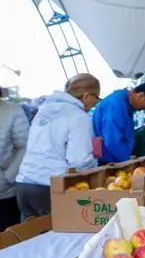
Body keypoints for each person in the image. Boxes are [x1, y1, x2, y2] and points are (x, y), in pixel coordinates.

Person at [16, 74, 101, 218]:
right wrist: (95, 162)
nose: (95, 104)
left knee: (30, 235)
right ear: (87, 95)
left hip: (24, 184)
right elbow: (79, 161)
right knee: (59, 238)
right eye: (97, 98)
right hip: (51, 187)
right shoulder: (79, 116)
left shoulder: (43, 110)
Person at [92, 81, 145, 165]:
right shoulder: (116, 106)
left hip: (115, 159)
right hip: (109, 162)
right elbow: (112, 142)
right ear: (141, 96)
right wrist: (129, 162)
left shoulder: (124, 103)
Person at [0, 94, 29, 228]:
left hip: (4, 191)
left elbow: (24, 146)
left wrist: (9, 176)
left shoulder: (12, 111)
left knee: (7, 238)